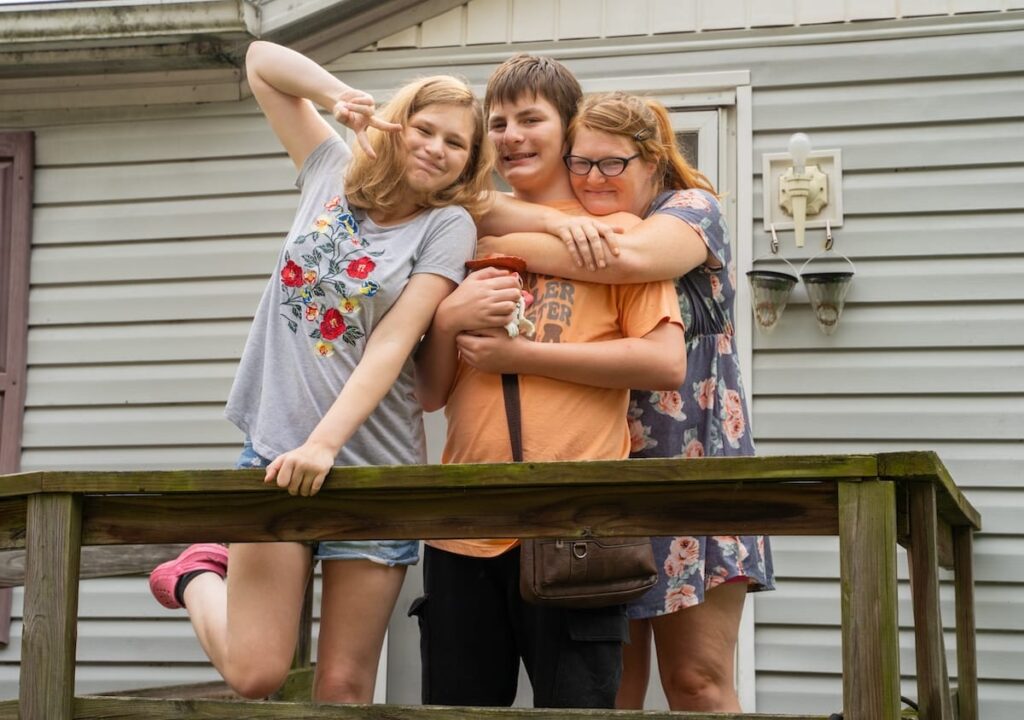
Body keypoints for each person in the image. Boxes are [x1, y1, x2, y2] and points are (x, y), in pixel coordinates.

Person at [147, 40, 494, 703]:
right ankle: (195, 575)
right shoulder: (331, 165)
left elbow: (390, 346)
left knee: (342, 685)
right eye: (425, 128)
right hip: (278, 448)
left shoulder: (447, 227)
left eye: (455, 143)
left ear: (466, 165)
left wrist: (326, 444)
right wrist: (338, 98)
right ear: (398, 123)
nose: (436, 148)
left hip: (374, 468)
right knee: (257, 674)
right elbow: (260, 61)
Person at [478, 90, 776, 711]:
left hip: (693, 468)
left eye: (612, 163)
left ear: (653, 160)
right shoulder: (572, 215)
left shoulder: (692, 208)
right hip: (606, 471)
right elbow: (474, 205)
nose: (593, 178)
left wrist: (491, 246)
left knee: (698, 681)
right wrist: (556, 223)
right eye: (581, 164)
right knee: (612, 689)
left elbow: (629, 258)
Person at [410, 55, 686, 709]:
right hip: (464, 525)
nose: (512, 135)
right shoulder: (458, 230)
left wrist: (522, 356)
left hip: (577, 526)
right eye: (498, 122)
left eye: (532, 118)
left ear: (569, 130)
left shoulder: (617, 231)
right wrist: (451, 317)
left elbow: (663, 362)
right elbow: (429, 392)